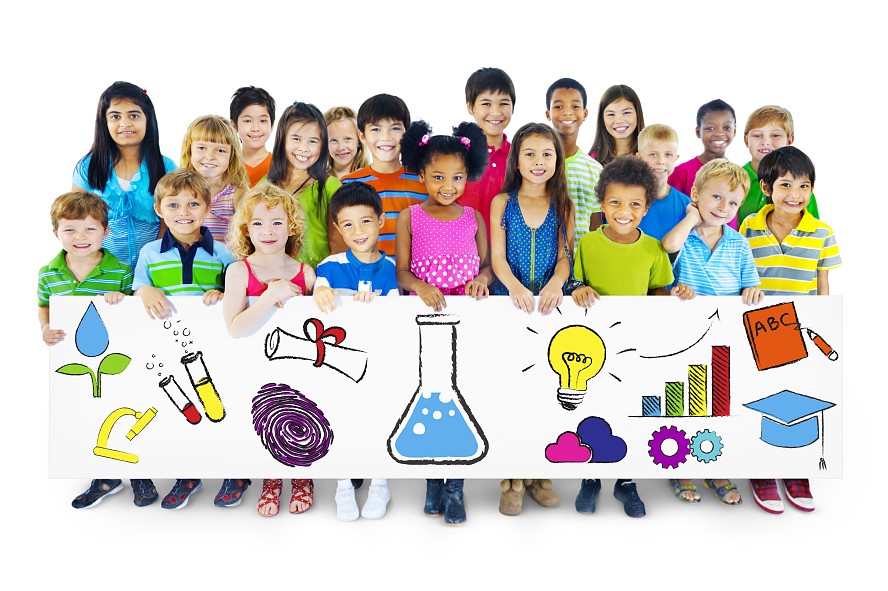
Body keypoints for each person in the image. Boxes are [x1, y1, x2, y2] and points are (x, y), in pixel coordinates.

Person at [571, 155, 695, 518]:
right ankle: (591, 476)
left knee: (629, 409)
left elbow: (658, 290)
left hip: (635, 346)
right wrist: (578, 288)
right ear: (602, 203)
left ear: (645, 208)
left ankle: (626, 481)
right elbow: (576, 282)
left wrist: (674, 294)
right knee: (595, 410)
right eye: (615, 203)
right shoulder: (588, 244)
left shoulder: (653, 248)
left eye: (635, 204)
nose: (624, 212)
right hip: (594, 345)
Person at [132, 168, 249, 510]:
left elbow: (235, 291)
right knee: (183, 408)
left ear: (207, 208)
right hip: (171, 344)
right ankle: (188, 472)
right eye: (174, 205)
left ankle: (233, 472)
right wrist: (146, 289)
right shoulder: (150, 253)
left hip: (214, 349)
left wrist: (219, 290)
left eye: (193, 204)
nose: (183, 212)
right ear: (159, 210)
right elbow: (138, 286)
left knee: (222, 404)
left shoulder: (224, 254)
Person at [395, 120, 491, 525]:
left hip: (464, 322)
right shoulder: (409, 216)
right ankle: (432, 479)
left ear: (467, 176)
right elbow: (401, 271)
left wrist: (482, 280)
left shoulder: (473, 217)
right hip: (425, 322)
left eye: (456, 177)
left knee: (461, 397)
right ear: (422, 176)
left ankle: (455, 486)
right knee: (430, 396)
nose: (447, 185)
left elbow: (486, 265)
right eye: (437, 177)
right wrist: (419, 285)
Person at [39, 191, 159, 509]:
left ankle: (140, 475)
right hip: (76, 360)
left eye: (90, 229)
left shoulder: (119, 271)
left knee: (122, 409)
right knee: (88, 411)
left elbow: (135, 314)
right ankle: (104, 476)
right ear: (56, 233)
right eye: (70, 229)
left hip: (116, 360)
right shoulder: (48, 274)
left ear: (106, 232)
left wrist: (122, 299)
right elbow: (43, 305)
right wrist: (45, 328)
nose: (81, 237)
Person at [739, 146, 841, 513]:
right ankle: (762, 468)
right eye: (785, 185)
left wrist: (827, 323)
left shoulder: (822, 233)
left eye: (804, 186)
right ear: (766, 188)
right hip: (760, 324)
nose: (795, 195)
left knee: (801, 394)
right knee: (763, 393)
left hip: (802, 325)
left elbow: (822, 283)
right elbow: (743, 275)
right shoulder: (749, 225)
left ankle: (797, 469)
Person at [661, 158, 762, 506]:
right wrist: (691, 219)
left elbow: (751, 287)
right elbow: (668, 247)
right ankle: (680, 467)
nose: (724, 207)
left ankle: (713, 465)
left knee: (718, 403)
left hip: (722, 338)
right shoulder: (684, 236)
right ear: (696, 196)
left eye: (732, 203)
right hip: (684, 334)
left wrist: (752, 292)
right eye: (716, 198)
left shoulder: (739, 245)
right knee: (680, 399)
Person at [490, 123, 574, 516]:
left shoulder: (563, 204)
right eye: (530, 154)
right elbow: (497, 258)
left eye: (547, 154)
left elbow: (565, 256)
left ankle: (541, 473)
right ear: (516, 159)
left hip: (549, 311)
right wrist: (514, 288)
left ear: (557, 160)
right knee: (510, 392)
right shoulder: (502, 202)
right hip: (511, 308)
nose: (538, 162)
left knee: (544, 392)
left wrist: (556, 283)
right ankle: (511, 480)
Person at [223, 183, 317, 516]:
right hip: (255, 363)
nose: (268, 231)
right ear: (246, 228)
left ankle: (303, 477)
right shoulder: (238, 271)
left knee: (300, 416)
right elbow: (235, 328)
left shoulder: (305, 272)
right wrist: (267, 296)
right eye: (259, 223)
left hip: (296, 363)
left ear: (291, 227)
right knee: (266, 419)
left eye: (277, 222)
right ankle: (271, 479)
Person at [313, 183, 399, 521]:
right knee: (338, 420)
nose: (358, 231)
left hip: (377, 361)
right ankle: (344, 483)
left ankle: (380, 482)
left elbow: (393, 314)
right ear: (337, 228)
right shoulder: (330, 266)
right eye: (348, 224)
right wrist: (322, 292)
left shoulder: (391, 267)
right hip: (338, 365)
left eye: (365, 222)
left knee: (379, 418)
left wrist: (376, 307)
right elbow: (319, 292)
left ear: (380, 222)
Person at [73, 81, 177, 269]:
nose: (125, 123)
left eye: (134, 115)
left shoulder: (166, 167)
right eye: (115, 116)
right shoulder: (87, 167)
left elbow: (169, 223)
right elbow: (75, 221)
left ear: (148, 119)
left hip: (153, 268)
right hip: (101, 271)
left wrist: (152, 265)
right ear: (104, 122)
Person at [330, 94, 427, 258]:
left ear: (407, 133)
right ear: (362, 136)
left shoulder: (423, 181)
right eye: (375, 129)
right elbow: (341, 243)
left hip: (416, 278)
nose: (386, 137)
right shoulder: (348, 184)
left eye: (395, 128)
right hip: (369, 277)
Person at [266, 101, 341, 268]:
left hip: (319, 282)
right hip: (274, 278)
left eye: (313, 141)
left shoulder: (331, 187)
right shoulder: (265, 186)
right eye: (296, 139)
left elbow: (338, 243)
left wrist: (329, 279)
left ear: (323, 146)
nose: (304, 148)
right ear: (282, 140)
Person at [733, 106, 819, 229]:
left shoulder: (800, 189)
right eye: (757, 135)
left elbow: (813, 230)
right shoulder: (734, 181)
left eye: (775, 135)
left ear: (790, 140)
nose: (766, 142)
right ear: (746, 140)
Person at [457, 67, 515, 242]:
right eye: (486, 104)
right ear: (470, 106)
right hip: (464, 252)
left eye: (504, 103)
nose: (496, 112)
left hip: (509, 255)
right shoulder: (455, 154)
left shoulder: (520, 157)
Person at [545, 77, 604, 242]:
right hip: (543, 261)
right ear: (548, 113)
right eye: (558, 106)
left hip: (580, 261)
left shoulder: (595, 169)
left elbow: (595, 225)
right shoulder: (537, 164)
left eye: (575, 106)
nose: (567, 112)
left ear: (584, 114)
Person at [180, 114, 249, 241]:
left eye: (221, 150)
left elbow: (249, 238)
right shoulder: (179, 192)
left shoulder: (237, 196)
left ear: (231, 156)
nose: (210, 156)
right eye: (201, 148)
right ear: (189, 151)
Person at [668, 99, 737, 196]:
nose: (719, 133)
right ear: (698, 132)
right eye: (710, 128)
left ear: (734, 131)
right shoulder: (681, 173)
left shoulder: (737, 174)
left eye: (726, 128)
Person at [634, 124, 691, 241]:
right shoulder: (628, 199)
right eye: (653, 154)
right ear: (639, 158)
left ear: (676, 158)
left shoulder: (685, 204)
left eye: (668, 155)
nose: (661, 161)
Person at [229, 86, 276, 186]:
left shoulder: (280, 166)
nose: (255, 128)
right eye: (247, 121)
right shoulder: (226, 165)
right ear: (234, 126)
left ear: (272, 125)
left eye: (263, 121)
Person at [588, 84, 645, 166]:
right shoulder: (594, 159)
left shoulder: (650, 155)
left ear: (637, 114)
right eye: (611, 114)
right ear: (602, 120)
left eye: (626, 113)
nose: (619, 120)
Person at [324, 106, 369, 180]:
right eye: (333, 140)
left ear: (359, 140)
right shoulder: (317, 180)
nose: (341, 148)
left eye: (348, 139)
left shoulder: (371, 178)